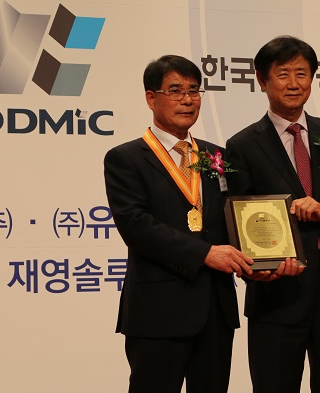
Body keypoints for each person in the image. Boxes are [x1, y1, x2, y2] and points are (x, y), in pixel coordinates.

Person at [225, 36, 320, 393]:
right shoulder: (243, 145)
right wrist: (257, 267)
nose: (294, 83)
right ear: (262, 80)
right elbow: (238, 214)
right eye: (283, 74)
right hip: (278, 291)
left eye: (302, 73)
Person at [104, 55, 254, 393]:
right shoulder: (126, 159)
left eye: (193, 90)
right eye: (175, 91)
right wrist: (205, 254)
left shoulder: (217, 156)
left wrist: (262, 257)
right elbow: (136, 227)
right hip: (158, 311)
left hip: (215, 308)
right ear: (151, 98)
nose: (187, 100)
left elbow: (238, 215)